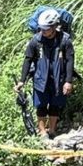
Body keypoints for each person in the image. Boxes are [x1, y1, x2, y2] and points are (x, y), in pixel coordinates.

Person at [15, 9, 74, 141]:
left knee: (55, 105)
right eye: (42, 28)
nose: (43, 31)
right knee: (40, 105)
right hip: (41, 78)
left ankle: (52, 131)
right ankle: (42, 132)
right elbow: (28, 59)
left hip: (59, 79)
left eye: (46, 29)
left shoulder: (65, 40)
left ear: (54, 27)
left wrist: (68, 81)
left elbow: (70, 60)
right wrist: (22, 80)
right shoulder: (36, 41)